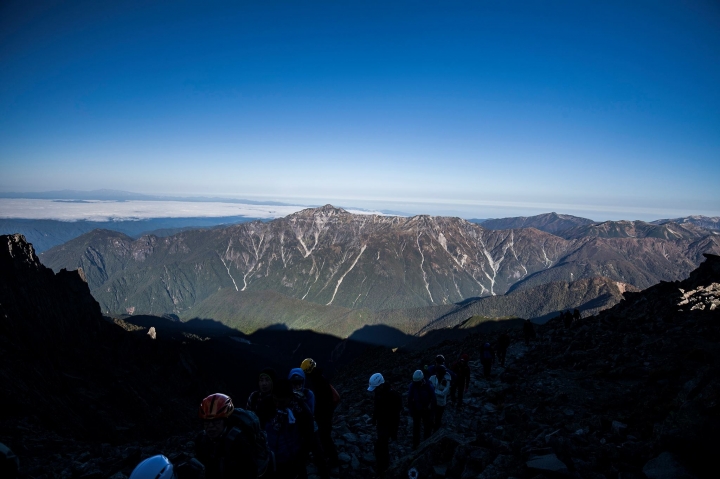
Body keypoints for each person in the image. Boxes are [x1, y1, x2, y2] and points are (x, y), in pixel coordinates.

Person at [196, 393, 270, 479]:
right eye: (207, 422)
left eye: (216, 422)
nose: (211, 426)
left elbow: (250, 472)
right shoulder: (201, 440)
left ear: (225, 421)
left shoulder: (239, 441)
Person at [266, 379, 329, 479]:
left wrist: (301, 458)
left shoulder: (302, 410)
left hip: (294, 455)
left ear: (291, 397)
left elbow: (308, 437)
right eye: (275, 400)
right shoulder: (268, 404)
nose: (277, 404)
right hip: (275, 456)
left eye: (282, 402)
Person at [301, 358, 339, 466]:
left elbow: (321, 401)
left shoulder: (317, 381)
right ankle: (330, 456)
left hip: (323, 414)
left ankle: (332, 459)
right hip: (327, 413)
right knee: (325, 436)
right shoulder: (320, 378)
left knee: (324, 436)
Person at [368, 373, 402, 473]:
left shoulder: (393, 396)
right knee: (382, 445)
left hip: (388, 425)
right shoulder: (378, 393)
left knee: (382, 446)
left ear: (380, 385)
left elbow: (396, 416)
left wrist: (394, 432)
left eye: (375, 388)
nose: (374, 390)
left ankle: (383, 468)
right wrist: (374, 419)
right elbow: (376, 407)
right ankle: (383, 466)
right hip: (381, 423)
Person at [407, 370, 436, 449]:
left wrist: (432, 414)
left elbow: (433, 399)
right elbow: (409, 398)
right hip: (417, 409)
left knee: (427, 427)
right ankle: (416, 445)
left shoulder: (428, 386)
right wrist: (411, 410)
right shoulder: (413, 385)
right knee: (416, 427)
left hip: (425, 409)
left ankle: (426, 444)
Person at [428, 365, 451, 431]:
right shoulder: (432, 378)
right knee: (431, 417)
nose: (436, 373)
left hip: (441, 403)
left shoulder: (446, 381)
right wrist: (436, 391)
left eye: (437, 372)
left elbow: (444, 393)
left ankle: (435, 432)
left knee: (438, 418)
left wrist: (434, 390)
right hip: (433, 402)